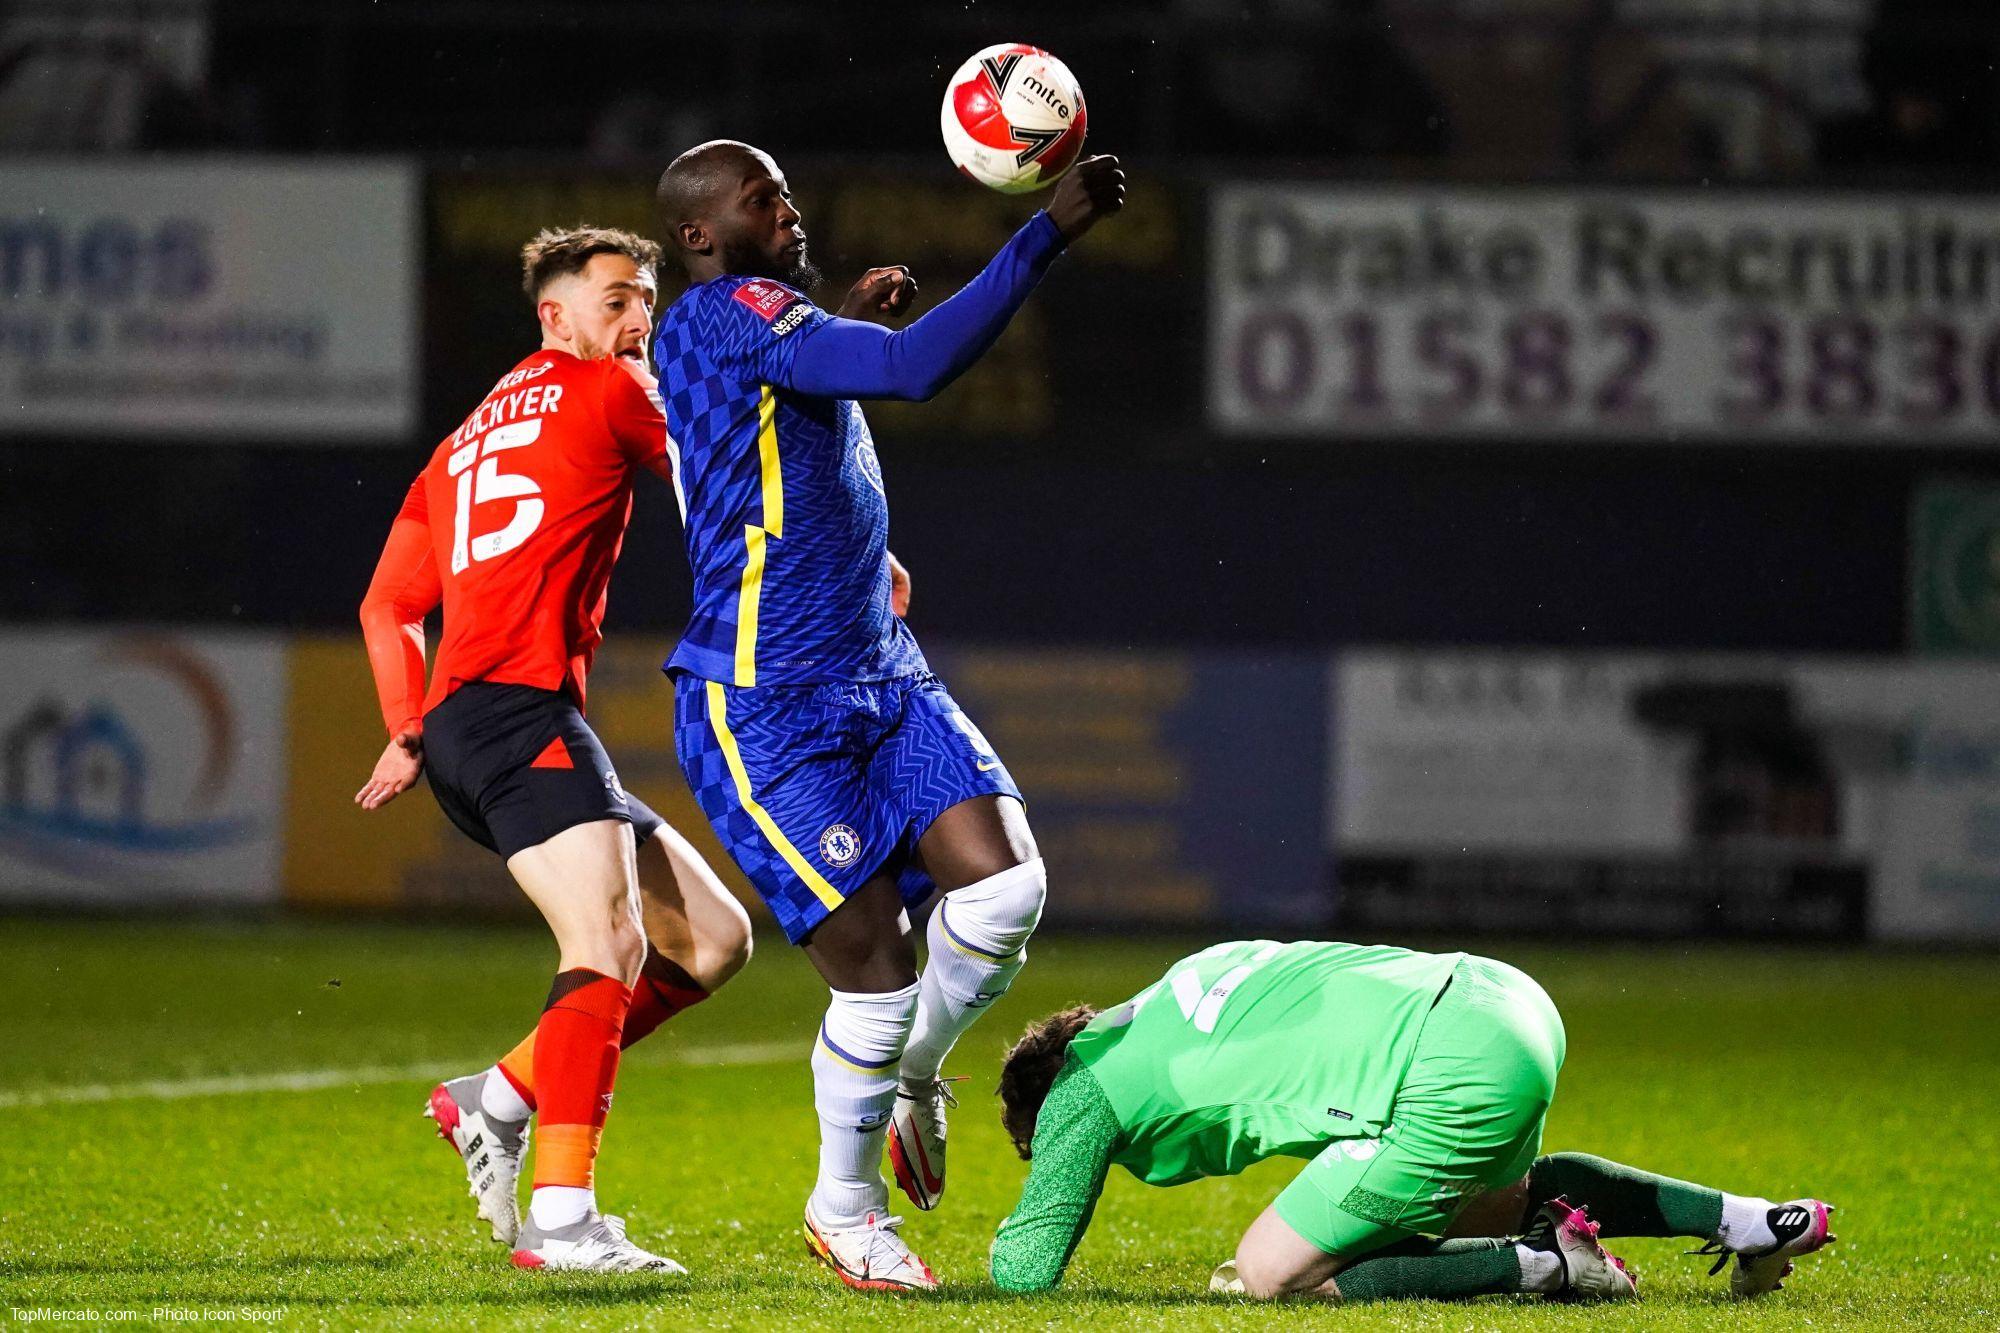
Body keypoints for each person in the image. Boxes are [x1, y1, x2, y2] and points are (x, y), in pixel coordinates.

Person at [650, 138, 1125, 1291]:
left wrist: (833, 314)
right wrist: (1043, 232)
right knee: (873, 967)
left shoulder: (762, 323)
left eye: (789, 189)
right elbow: (912, 368)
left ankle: (912, 1071)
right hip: (764, 701)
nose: (791, 209)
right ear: (703, 236)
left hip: (879, 668)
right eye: (764, 200)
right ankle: (844, 1207)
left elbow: (789, 435)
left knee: (1006, 886)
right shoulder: (725, 313)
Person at [355, 226, 753, 1274]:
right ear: (555, 316)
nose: (639, 322)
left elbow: (388, 601)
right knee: (605, 942)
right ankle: (564, 1219)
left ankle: (495, 1097)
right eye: (617, 299)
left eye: (647, 302)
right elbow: (723, 479)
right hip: (515, 713)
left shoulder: (461, 442)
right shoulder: (608, 391)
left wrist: (409, 723)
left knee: (709, 939)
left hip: (472, 721)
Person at [991, 939, 1836, 1303]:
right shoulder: (1186, 979)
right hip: (1506, 1000)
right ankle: (1756, 1220)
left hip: (1451, 1069)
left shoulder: (1082, 1086)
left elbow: (1025, 1270)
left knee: (1267, 1270)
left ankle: (1548, 1266)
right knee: (1492, 1198)